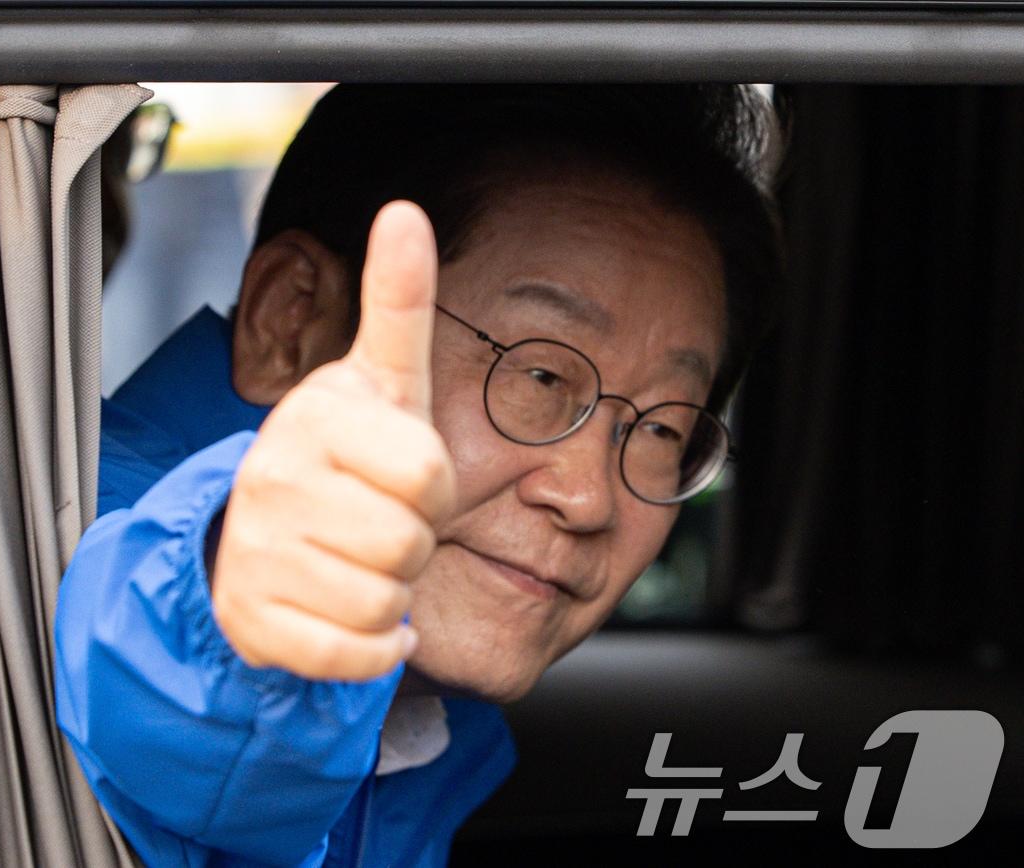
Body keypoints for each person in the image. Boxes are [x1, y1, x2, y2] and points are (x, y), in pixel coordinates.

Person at [55, 84, 783, 867]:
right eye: (538, 376)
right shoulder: (59, 542)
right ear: (291, 319)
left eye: (662, 428)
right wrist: (247, 634)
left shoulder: (428, 717)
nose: (587, 496)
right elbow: (163, 687)